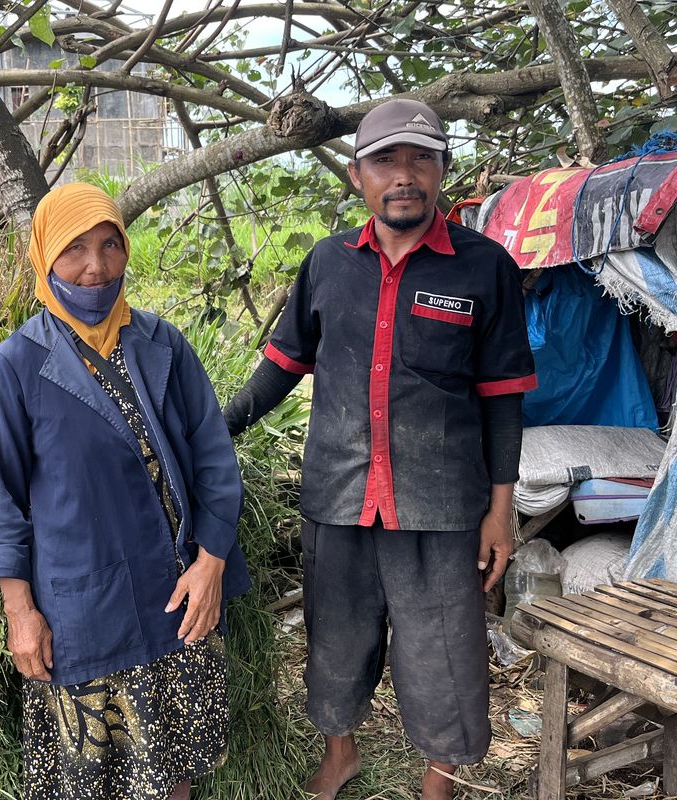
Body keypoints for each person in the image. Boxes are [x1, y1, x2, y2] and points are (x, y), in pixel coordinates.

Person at [223, 99, 536, 800]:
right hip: (339, 494)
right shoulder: (328, 264)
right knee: (335, 644)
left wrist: (500, 510)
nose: (405, 176)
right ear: (356, 174)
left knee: (444, 656)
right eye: (387, 161)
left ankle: (438, 781)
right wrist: (217, 427)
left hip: (441, 503)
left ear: (442, 172)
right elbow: (282, 366)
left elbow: (505, 396)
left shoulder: (484, 269)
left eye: (421, 159)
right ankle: (342, 754)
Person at [0, 182, 250, 800]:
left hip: (178, 592)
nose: (96, 267)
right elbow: (3, 504)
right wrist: (20, 614)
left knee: (175, 767)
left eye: (109, 245)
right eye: (74, 249)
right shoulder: (16, 366)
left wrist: (211, 562)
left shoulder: (161, 344)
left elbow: (213, 461)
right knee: (93, 781)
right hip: (83, 609)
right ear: (44, 257)